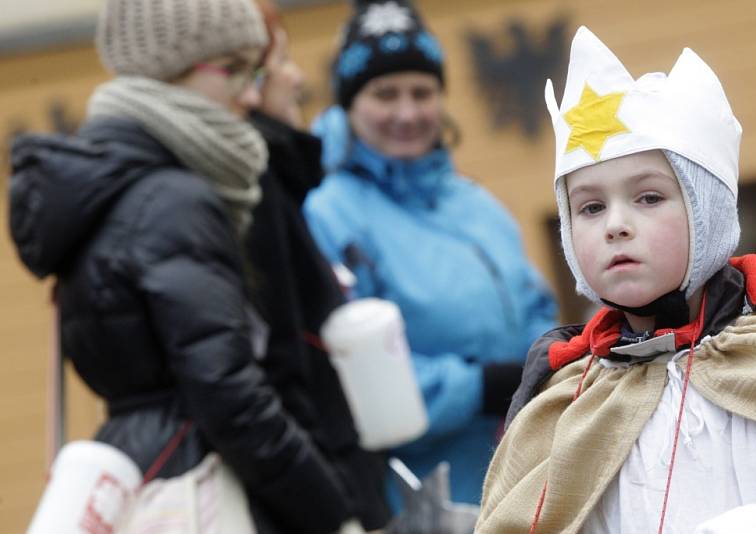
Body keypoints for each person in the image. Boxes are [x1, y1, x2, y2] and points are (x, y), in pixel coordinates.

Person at [9, 0, 367, 532]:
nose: (251, 93)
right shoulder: (175, 201)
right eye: (235, 69)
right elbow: (231, 398)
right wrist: (334, 515)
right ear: (169, 67)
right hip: (200, 485)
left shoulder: (105, 186)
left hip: (142, 473)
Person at [477, 26, 756, 533]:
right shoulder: (566, 401)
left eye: (649, 198)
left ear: (707, 212)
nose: (615, 225)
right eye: (589, 207)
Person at [303, 0, 558, 507]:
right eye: (384, 93)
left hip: (523, 476)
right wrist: (477, 387)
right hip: (420, 495)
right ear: (347, 106)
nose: (408, 112)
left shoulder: (476, 203)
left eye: (422, 92)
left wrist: (552, 363)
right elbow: (353, 374)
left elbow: (537, 308)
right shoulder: (328, 214)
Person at [244, 1, 390, 530]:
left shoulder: (279, 185)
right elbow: (287, 363)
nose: (297, 77)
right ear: (250, 81)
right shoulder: (259, 189)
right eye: (282, 61)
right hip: (324, 486)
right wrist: (336, 508)